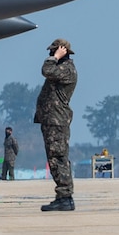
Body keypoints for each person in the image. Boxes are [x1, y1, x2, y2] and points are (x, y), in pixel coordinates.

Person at [35, 39, 78, 210]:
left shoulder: (66, 69)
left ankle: (65, 197)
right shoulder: (60, 69)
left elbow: (46, 70)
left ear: (62, 51)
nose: (51, 55)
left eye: (54, 51)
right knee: (55, 158)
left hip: (57, 121)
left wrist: (55, 57)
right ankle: (63, 196)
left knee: (58, 158)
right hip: (52, 121)